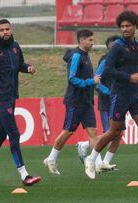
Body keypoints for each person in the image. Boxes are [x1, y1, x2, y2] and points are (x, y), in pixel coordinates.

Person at [84, 11, 138, 179]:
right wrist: (128, 77)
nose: (124, 29)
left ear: (135, 27)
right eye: (122, 26)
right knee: (114, 132)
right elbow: (107, 70)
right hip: (120, 94)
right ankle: (91, 158)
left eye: (128, 26)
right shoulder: (117, 47)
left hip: (136, 94)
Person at [0, 19, 41, 187]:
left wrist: (28, 68)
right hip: (0, 97)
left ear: (11, 29)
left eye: (7, 29)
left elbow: (19, 65)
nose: (5, 32)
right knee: (14, 134)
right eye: (1, 30)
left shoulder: (15, 47)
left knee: (0, 135)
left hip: (11, 96)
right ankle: (24, 175)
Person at [43, 29, 102, 175]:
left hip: (87, 101)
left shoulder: (86, 56)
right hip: (75, 101)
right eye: (90, 40)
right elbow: (72, 79)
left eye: (93, 40)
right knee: (68, 131)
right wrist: (91, 81)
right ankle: (51, 159)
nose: (92, 43)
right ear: (81, 40)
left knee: (93, 132)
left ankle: (97, 163)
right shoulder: (76, 56)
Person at [77, 35, 121, 173]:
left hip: (118, 101)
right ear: (109, 48)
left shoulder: (122, 60)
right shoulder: (105, 60)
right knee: (111, 132)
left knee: (118, 133)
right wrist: (109, 92)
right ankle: (84, 146)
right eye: (113, 46)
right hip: (106, 101)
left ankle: (105, 163)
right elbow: (96, 82)